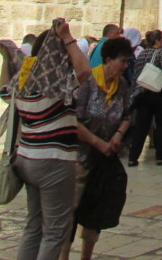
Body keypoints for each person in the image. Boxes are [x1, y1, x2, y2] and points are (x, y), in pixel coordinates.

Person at [0, 17, 91, 260]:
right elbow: (85, 71)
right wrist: (67, 38)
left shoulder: (23, 82)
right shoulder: (56, 85)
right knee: (55, 232)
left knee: (34, 226)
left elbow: (4, 92)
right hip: (53, 162)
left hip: (27, 159)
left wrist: (6, 59)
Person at [58, 36, 133, 260]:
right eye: (122, 61)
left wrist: (118, 135)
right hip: (81, 158)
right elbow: (75, 121)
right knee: (71, 210)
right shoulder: (88, 83)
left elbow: (127, 115)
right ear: (108, 60)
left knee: (96, 210)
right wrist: (98, 143)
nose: (125, 66)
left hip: (105, 160)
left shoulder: (122, 85)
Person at [127, 29, 162, 166]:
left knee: (141, 126)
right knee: (161, 124)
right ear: (158, 40)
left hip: (142, 92)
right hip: (158, 92)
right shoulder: (161, 53)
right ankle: (161, 156)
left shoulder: (142, 53)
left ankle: (133, 157)